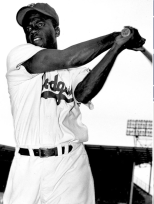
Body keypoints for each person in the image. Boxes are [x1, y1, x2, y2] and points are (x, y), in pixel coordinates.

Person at [4, 3, 145, 204]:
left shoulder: (74, 73)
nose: (32, 29)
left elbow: (84, 93)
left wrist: (116, 48)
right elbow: (70, 58)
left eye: (39, 23)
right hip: (27, 164)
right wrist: (116, 36)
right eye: (28, 27)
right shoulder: (19, 56)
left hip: (69, 163)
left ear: (57, 30)